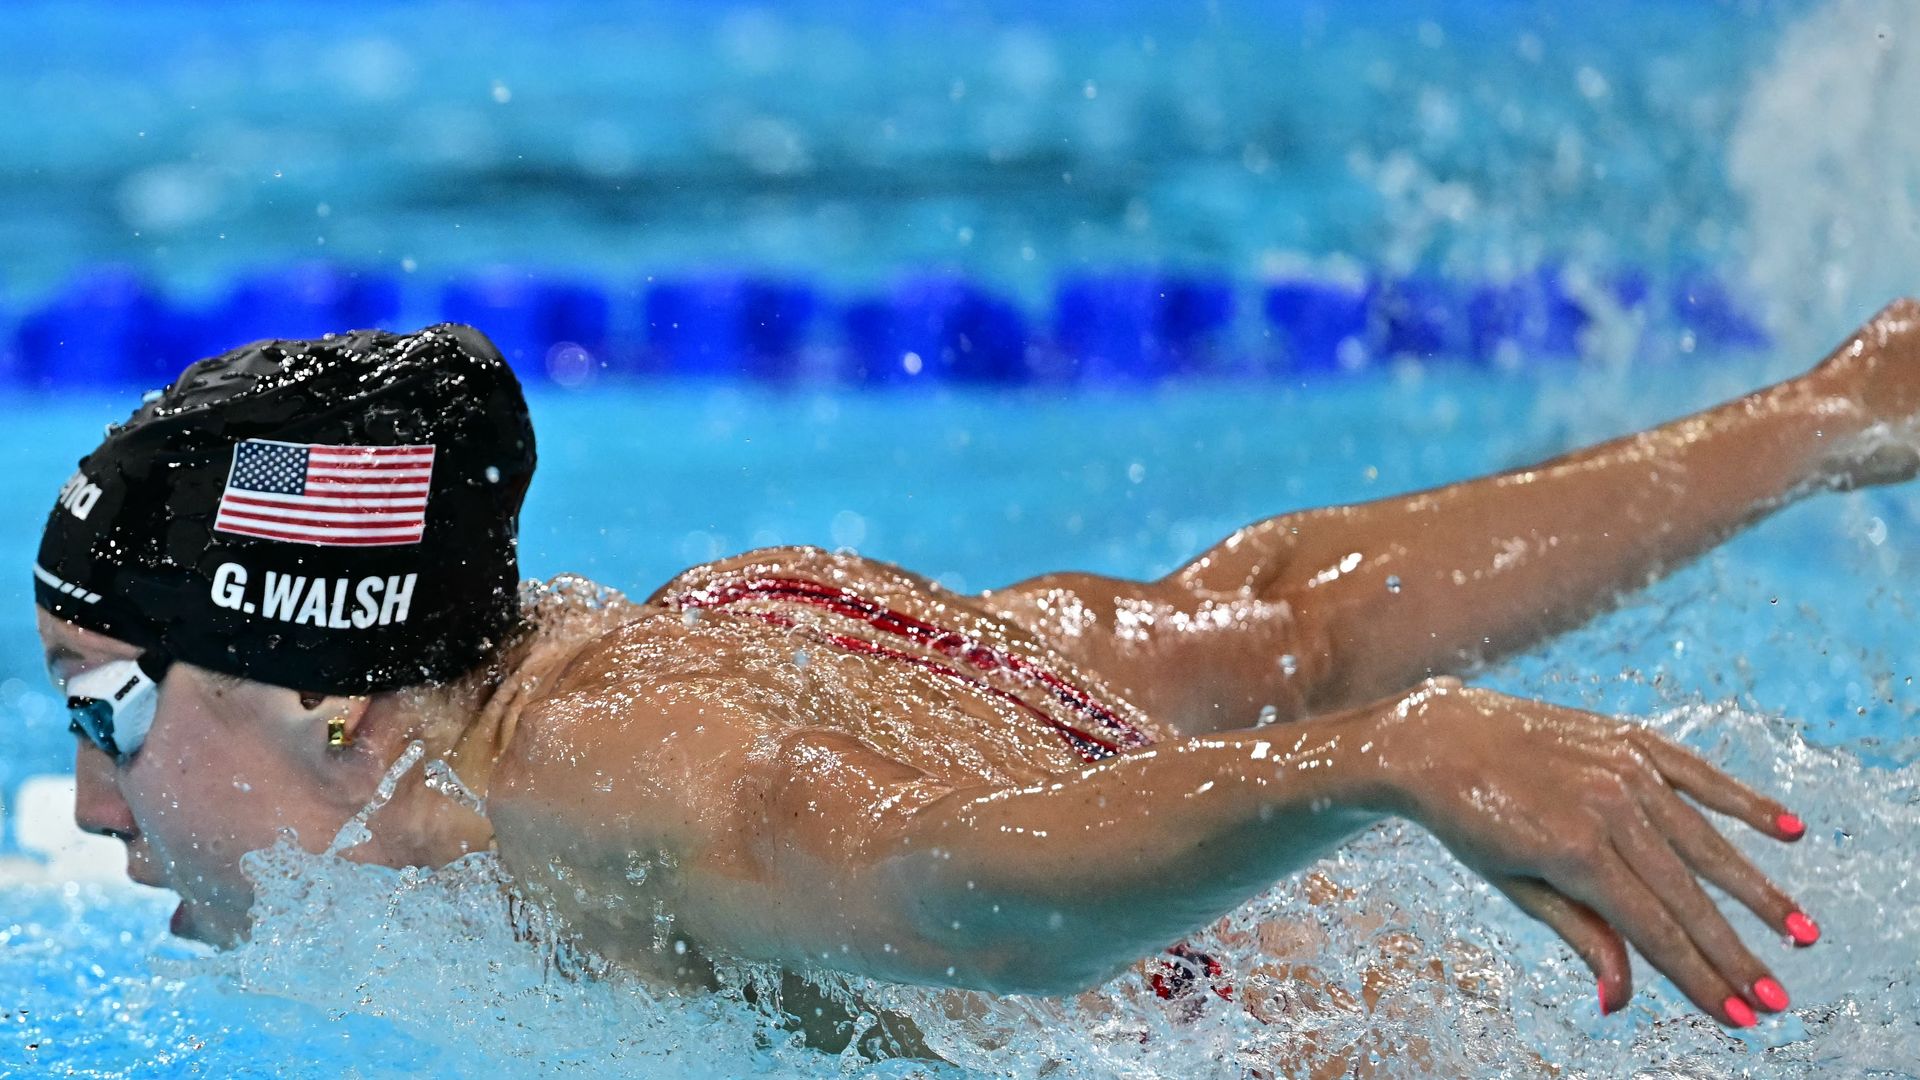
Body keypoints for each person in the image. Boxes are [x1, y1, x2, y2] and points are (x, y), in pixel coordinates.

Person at [35, 300, 1918, 1044]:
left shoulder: (596, 783)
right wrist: (1826, 412)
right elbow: (1273, 622)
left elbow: (952, 886)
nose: (88, 796)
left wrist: (1392, 758)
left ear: (324, 686)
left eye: (106, 706)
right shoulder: (753, 614)